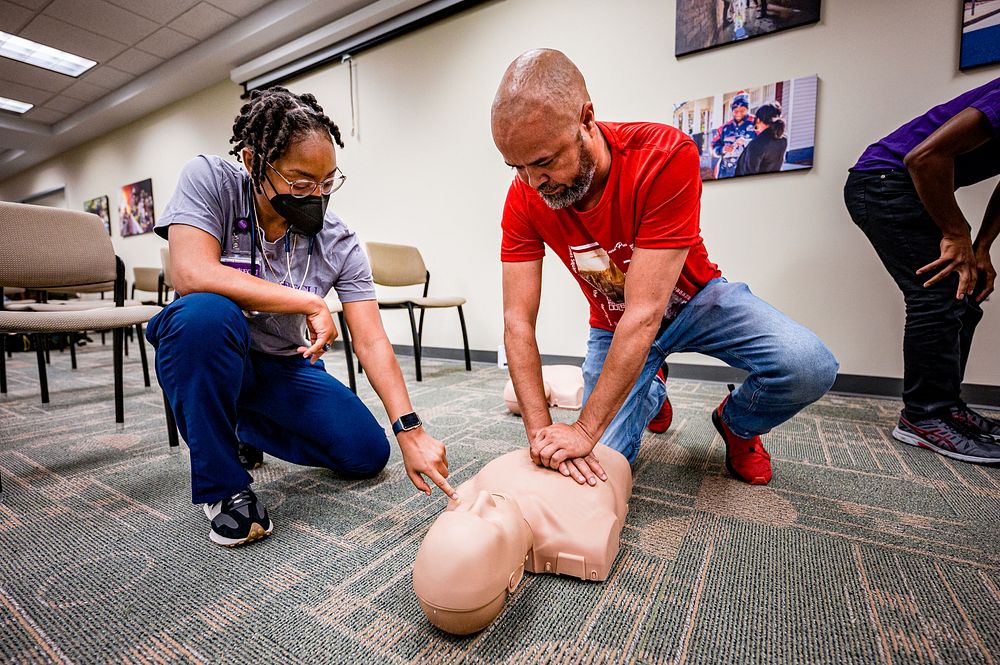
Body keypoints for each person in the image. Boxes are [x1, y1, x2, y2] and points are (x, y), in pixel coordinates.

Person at [491, 49, 837, 489]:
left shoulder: (663, 155)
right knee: (595, 468)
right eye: (516, 167)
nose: (532, 182)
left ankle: (738, 424)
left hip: (697, 301)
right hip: (613, 325)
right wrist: (543, 438)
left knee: (809, 365)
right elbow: (517, 322)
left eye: (543, 162)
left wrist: (581, 429)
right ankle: (650, 393)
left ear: (586, 119)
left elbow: (646, 312)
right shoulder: (525, 195)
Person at [146, 87, 456, 547]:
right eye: (299, 182)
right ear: (253, 162)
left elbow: (370, 340)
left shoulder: (339, 241)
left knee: (365, 452)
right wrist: (308, 302)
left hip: (284, 363)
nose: (316, 195)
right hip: (210, 349)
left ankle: (237, 424)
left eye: (327, 182)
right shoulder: (210, 179)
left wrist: (409, 428)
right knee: (204, 315)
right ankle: (225, 487)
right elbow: (191, 273)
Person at [844, 78, 1000, 464]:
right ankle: (923, 417)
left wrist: (981, 248)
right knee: (937, 293)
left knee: (966, 291)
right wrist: (956, 232)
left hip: (903, 183)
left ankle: (946, 408)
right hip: (883, 181)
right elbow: (923, 158)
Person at [412, 444, 632, 635]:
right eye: (491, 521)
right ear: (515, 576)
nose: (482, 499)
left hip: (544, 442)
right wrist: (585, 433)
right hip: (605, 457)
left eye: (464, 513)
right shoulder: (583, 527)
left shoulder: (468, 495)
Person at [734, 102, 787, 177]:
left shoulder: (756, 144)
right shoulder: (783, 140)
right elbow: (766, 149)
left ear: (758, 120)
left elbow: (748, 176)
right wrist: (747, 142)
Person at [711, 93, 757, 179]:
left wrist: (746, 142)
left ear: (747, 109)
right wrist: (722, 149)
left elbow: (765, 142)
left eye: (742, 110)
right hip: (725, 174)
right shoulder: (724, 128)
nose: (739, 113)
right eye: (735, 111)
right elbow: (713, 147)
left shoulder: (756, 123)